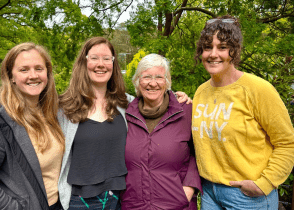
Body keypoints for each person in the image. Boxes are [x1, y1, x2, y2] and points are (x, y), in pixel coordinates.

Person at [57, 37, 190, 210]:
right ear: (84, 61)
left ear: (113, 64)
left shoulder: (126, 104)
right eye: (94, 58)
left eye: (107, 58)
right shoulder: (64, 107)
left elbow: (156, 98)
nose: (101, 64)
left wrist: (181, 99)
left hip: (117, 199)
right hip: (78, 201)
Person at [192, 15, 294, 210]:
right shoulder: (200, 92)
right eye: (207, 47)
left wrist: (264, 183)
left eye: (222, 47)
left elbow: (287, 143)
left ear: (234, 51)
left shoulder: (258, 89)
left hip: (247, 197)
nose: (213, 54)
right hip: (209, 194)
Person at [0, 42, 65, 210]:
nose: (33, 75)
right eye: (24, 70)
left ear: (48, 73)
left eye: (39, 68)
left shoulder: (53, 115)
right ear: (11, 77)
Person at [120, 53, 202, 210]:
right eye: (146, 77)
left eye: (159, 77)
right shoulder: (125, 114)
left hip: (178, 204)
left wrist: (189, 189)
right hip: (133, 205)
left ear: (167, 82)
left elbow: (200, 152)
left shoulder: (186, 111)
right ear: (137, 82)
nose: (152, 83)